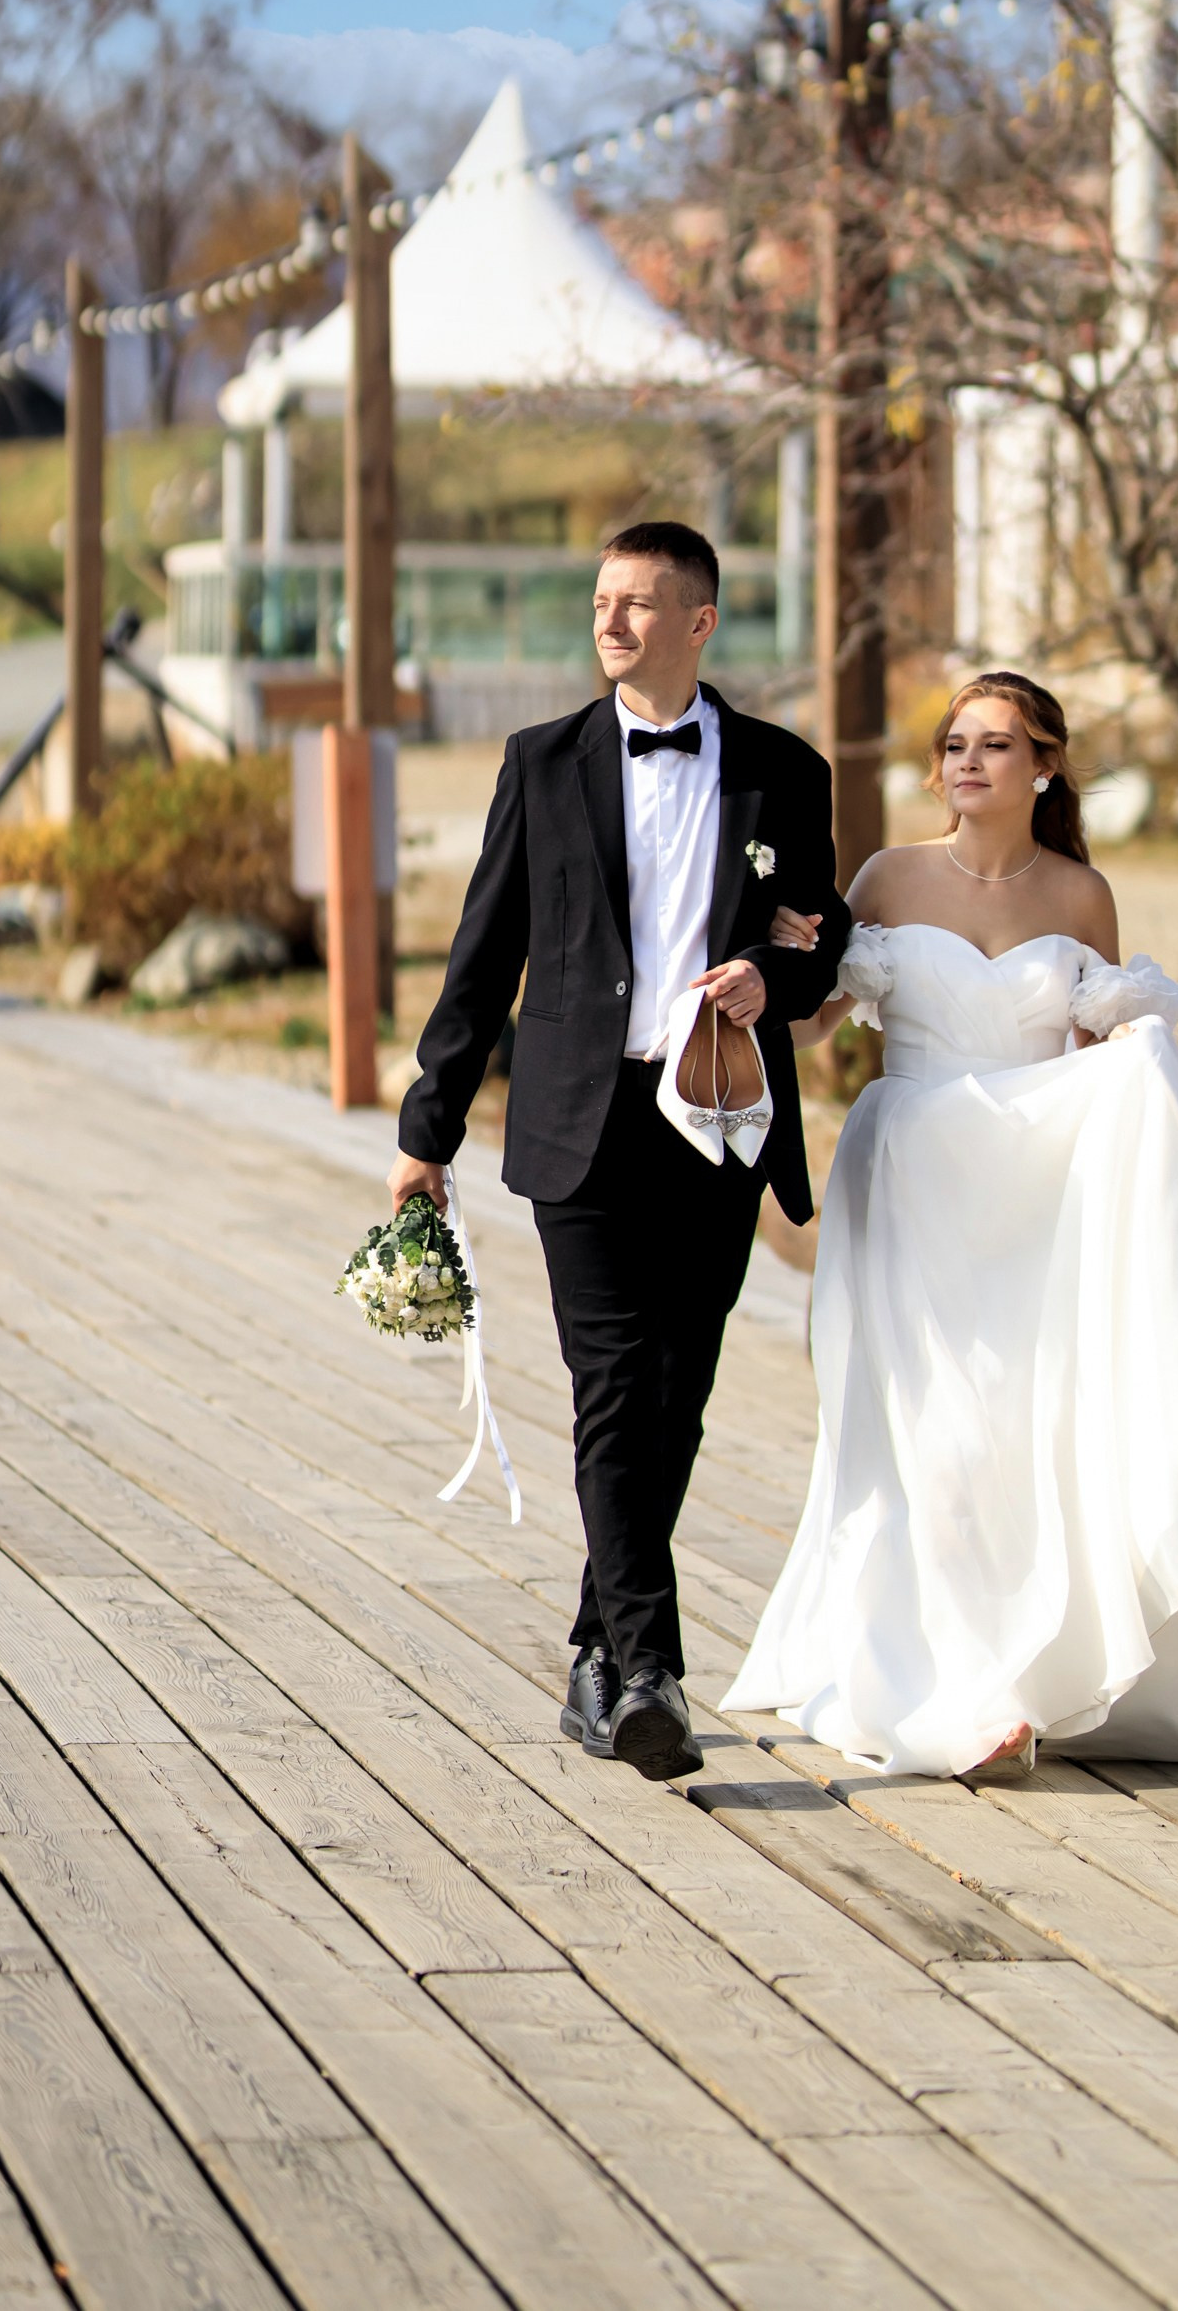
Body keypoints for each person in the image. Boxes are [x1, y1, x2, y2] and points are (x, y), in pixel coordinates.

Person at [727, 669, 1178, 1780]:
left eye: (993, 743)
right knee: (935, 1434)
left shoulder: (1079, 895)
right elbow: (826, 1024)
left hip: (1034, 1199)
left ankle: (1032, 1675)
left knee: (1027, 1428)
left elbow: (1098, 1060)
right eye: (953, 743)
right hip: (914, 1177)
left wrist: (1141, 1075)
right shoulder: (886, 875)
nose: (966, 760)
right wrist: (792, 957)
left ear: (1043, 764)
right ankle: (959, 1689)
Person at [390, 522, 848, 1781]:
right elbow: (482, 957)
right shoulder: (540, 764)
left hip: (717, 1122)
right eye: (601, 600)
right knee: (609, 1391)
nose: (612, 621)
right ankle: (651, 1671)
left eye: (638, 603)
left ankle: (596, 1653)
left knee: (674, 1399)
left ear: (698, 622)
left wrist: (772, 967)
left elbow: (821, 936)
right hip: (578, 1124)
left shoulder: (781, 770)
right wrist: (425, 1132)